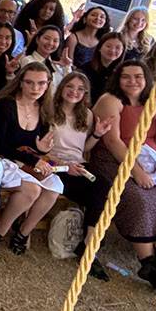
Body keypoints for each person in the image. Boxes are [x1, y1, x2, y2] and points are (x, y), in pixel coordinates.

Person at [91, 61, 156, 291]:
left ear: (147, 80)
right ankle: (148, 261)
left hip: (150, 160)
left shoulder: (153, 103)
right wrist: (136, 171)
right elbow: (113, 141)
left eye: (138, 77)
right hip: (115, 159)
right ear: (117, 79)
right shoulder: (110, 101)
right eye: (126, 77)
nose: (133, 82)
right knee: (137, 197)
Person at [0, 63, 60, 256]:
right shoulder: (6, 105)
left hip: (26, 161)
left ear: (48, 84)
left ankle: (23, 231)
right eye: (30, 83)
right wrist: (35, 160)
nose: (35, 89)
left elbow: (33, 148)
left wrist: (40, 151)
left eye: (41, 84)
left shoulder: (43, 109)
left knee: (54, 187)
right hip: (2, 160)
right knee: (32, 189)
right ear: (20, 82)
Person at [45, 73, 114, 280]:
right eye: (70, 86)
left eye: (80, 88)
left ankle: (88, 245)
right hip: (53, 164)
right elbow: (41, 151)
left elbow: (82, 149)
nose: (74, 92)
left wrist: (97, 135)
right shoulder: (48, 110)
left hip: (78, 165)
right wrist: (65, 166)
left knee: (103, 187)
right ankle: (90, 249)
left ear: (85, 93)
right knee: (98, 193)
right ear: (62, 87)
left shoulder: (88, 115)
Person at [78, 32, 126, 104]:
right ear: (100, 47)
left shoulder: (122, 73)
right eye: (108, 46)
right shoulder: (84, 69)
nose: (112, 50)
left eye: (118, 48)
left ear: (122, 51)